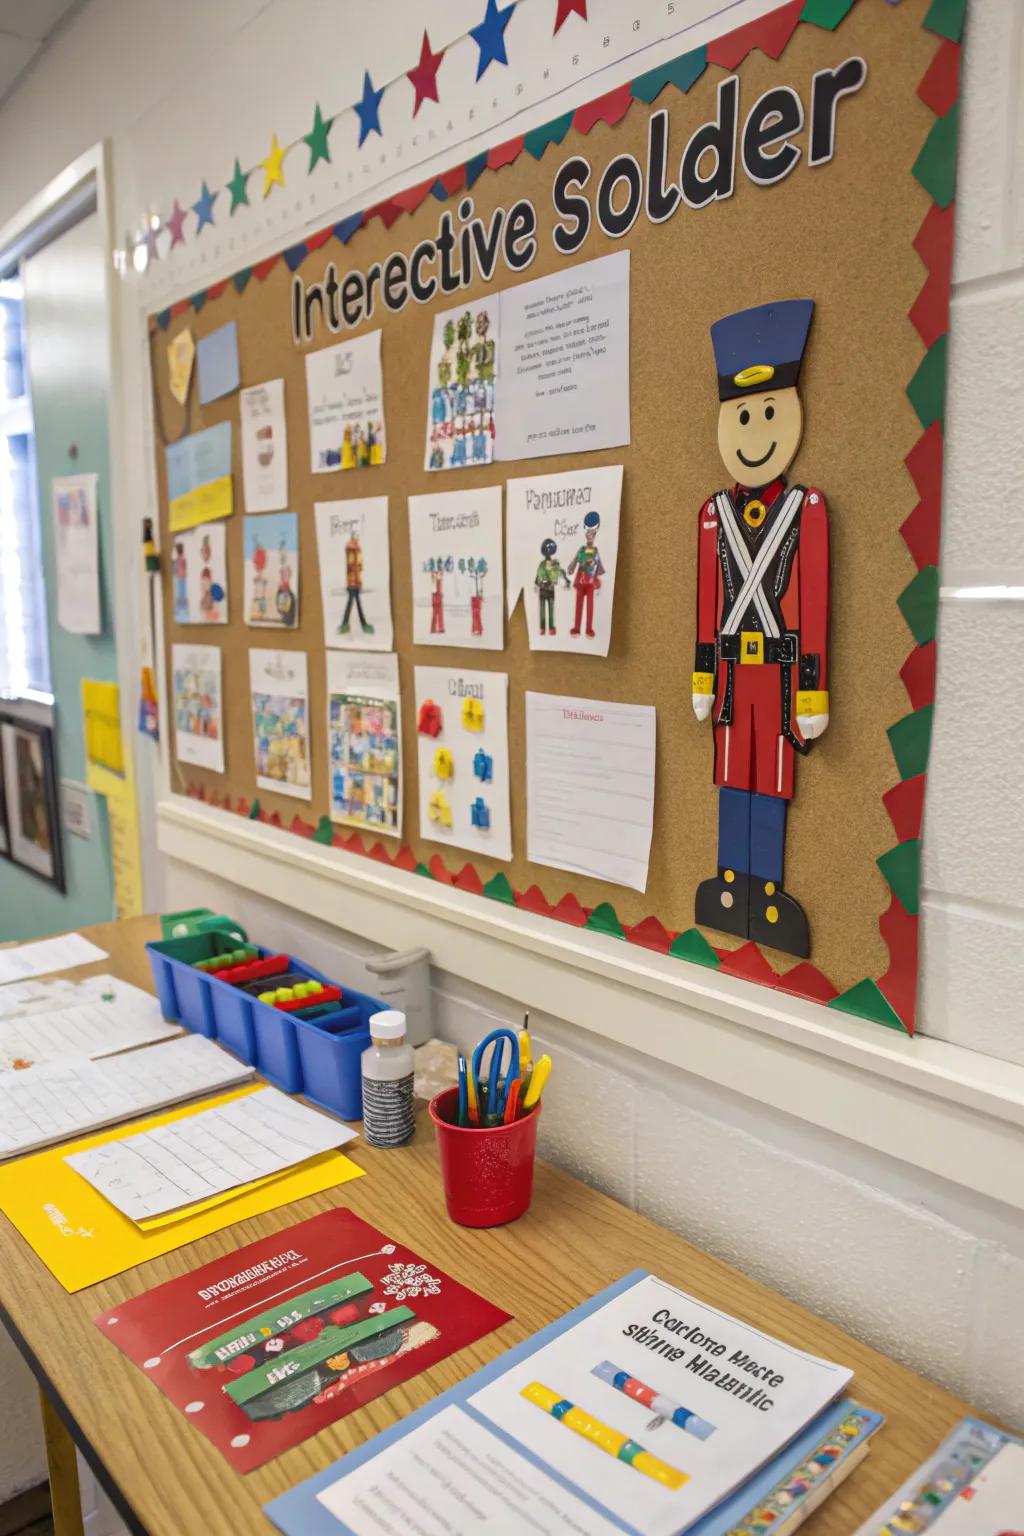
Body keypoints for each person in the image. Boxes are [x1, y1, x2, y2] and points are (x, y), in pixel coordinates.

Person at [690, 299, 828, 958]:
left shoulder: (806, 510)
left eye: (768, 412)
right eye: (744, 414)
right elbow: (702, 602)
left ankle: (766, 895)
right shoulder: (713, 514)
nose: (754, 430)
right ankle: (727, 884)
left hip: (776, 674)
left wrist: (811, 691)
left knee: (770, 775)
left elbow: (814, 602)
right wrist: (700, 675)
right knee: (729, 774)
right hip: (729, 674)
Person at [568, 511, 604, 638]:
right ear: (585, 532)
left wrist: (598, 577)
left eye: (592, 533)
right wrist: (572, 566)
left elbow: (599, 566)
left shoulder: (595, 551)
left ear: (595, 534)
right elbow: (573, 563)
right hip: (581, 582)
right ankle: (576, 628)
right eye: (588, 532)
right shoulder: (581, 550)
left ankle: (589, 629)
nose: (590, 535)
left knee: (590, 607)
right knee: (578, 605)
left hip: (590, 583)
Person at [339, 525, 375, 636]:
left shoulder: (355, 547)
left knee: (353, 603)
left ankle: (347, 624)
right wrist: (357, 572)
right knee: (353, 603)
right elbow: (352, 565)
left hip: (355, 580)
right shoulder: (352, 548)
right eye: (357, 535)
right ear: (353, 536)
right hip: (353, 581)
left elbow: (357, 564)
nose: (358, 537)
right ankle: (352, 624)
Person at [534, 538, 569, 636]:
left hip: (550, 589)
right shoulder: (542, 564)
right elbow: (538, 575)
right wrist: (536, 584)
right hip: (542, 589)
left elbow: (561, 573)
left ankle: (551, 627)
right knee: (542, 610)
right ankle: (542, 627)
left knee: (551, 609)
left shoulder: (555, 565)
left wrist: (567, 581)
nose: (548, 553)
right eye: (546, 550)